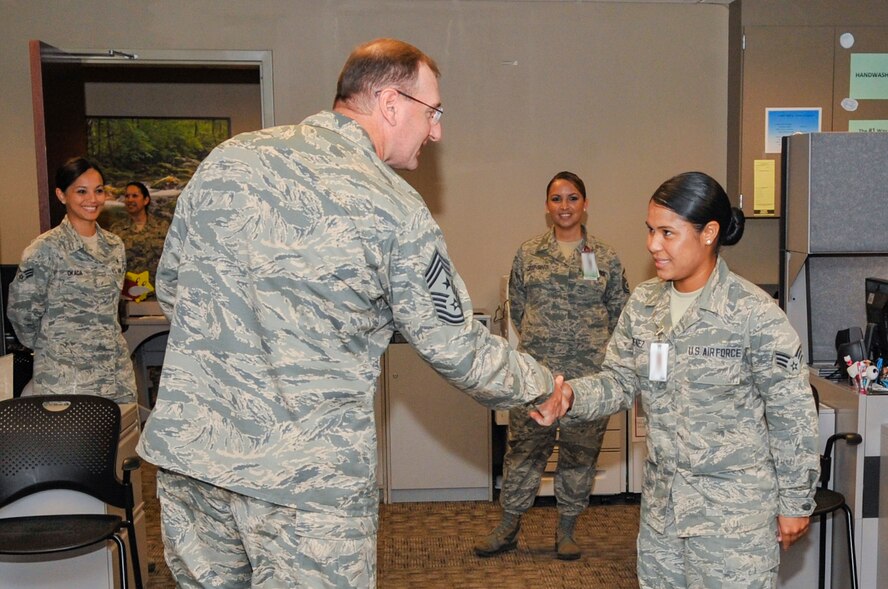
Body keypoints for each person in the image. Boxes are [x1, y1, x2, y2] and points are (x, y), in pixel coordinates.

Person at [136, 38, 569, 588]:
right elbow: (454, 343)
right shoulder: (391, 204)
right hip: (305, 481)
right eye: (433, 112)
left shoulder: (228, 159)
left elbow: (173, 288)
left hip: (194, 460)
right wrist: (539, 386)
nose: (436, 131)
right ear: (391, 104)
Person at [554, 171, 820, 587]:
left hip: (732, 522)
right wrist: (569, 395)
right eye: (650, 230)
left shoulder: (753, 313)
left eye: (667, 232)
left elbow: (793, 416)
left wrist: (796, 501)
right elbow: (620, 381)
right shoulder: (644, 304)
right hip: (663, 515)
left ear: (709, 233)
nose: (652, 244)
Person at [474, 171, 629, 560]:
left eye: (572, 198)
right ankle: (508, 528)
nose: (565, 206)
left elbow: (618, 311)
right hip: (536, 378)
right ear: (547, 206)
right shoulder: (528, 253)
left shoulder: (604, 255)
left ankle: (567, 531)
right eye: (557, 199)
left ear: (585, 204)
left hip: (587, 380)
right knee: (524, 452)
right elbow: (518, 308)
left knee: (580, 455)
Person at [7, 157, 136, 403]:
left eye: (98, 191)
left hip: (115, 376)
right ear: (61, 195)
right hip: (66, 379)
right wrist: (54, 346)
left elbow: (111, 311)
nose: (93, 199)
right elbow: (21, 312)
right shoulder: (45, 248)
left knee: (123, 440)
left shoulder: (114, 246)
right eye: (81, 191)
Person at [108, 181, 170, 287]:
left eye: (135, 196)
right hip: (127, 294)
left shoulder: (163, 227)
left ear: (146, 200)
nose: (130, 200)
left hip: (156, 294)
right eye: (127, 196)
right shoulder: (116, 230)